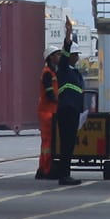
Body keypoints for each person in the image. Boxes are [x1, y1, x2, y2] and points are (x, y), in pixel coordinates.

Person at [49, 49, 86, 186]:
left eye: (77, 55)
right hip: (66, 110)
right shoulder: (63, 69)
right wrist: (67, 42)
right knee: (66, 144)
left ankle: (65, 174)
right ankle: (64, 175)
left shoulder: (75, 72)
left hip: (74, 111)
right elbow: (64, 58)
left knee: (69, 145)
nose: (77, 57)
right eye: (74, 55)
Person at [36, 49, 63, 180]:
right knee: (48, 142)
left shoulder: (52, 72)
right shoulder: (47, 73)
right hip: (47, 112)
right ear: (51, 57)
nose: (59, 57)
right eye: (57, 55)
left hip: (50, 111)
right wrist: (61, 101)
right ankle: (46, 169)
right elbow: (50, 94)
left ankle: (43, 168)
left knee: (48, 142)